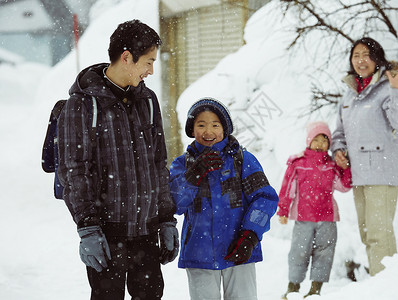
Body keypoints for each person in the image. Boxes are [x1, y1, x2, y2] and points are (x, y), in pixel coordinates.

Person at [57, 20, 179, 300]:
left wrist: (166, 219)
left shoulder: (147, 101)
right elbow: (74, 171)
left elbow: (159, 164)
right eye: (148, 62)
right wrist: (88, 227)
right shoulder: (83, 104)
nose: (151, 70)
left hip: (146, 233)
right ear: (126, 57)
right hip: (106, 235)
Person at [169, 97, 279, 300]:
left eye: (215, 125)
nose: (208, 132)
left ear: (225, 129)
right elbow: (175, 204)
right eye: (201, 125)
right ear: (192, 130)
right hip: (198, 253)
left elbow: (265, 198)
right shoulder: (182, 165)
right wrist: (193, 175)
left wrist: (250, 236)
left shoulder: (243, 160)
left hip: (239, 249)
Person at [331, 37, 398, 276]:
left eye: (366, 54)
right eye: (356, 55)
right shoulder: (349, 94)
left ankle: (386, 286)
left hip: (382, 173)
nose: (361, 60)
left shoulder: (389, 87)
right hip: (359, 174)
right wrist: (338, 151)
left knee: (380, 234)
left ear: (377, 58)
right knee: (367, 233)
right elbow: (339, 132)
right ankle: (383, 281)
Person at [277, 121, 352, 299]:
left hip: (327, 218)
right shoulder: (298, 163)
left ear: (329, 143)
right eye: (316, 139)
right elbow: (288, 188)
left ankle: (315, 289)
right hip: (304, 217)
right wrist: (283, 210)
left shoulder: (332, 165)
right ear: (309, 140)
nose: (320, 144)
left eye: (324, 140)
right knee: (299, 251)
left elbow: (343, 186)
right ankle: (293, 287)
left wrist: (346, 169)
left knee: (324, 252)